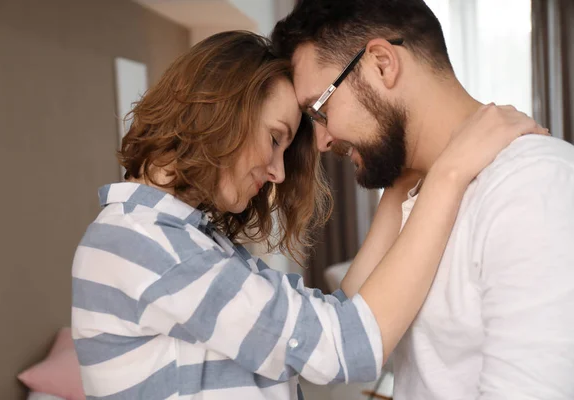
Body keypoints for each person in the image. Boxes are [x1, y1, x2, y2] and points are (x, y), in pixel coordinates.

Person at [71, 31, 545, 399]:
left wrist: (403, 182)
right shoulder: (145, 245)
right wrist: (450, 172)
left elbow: (336, 315)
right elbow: (343, 346)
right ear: (220, 110)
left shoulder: (182, 238)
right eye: (275, 137)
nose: (277, 172)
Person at [272, 0, 574, 398]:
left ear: (381, 63)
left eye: (320, 108)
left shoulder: (532, 183)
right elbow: (346, 340)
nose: (324, 140)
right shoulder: (415, 193)